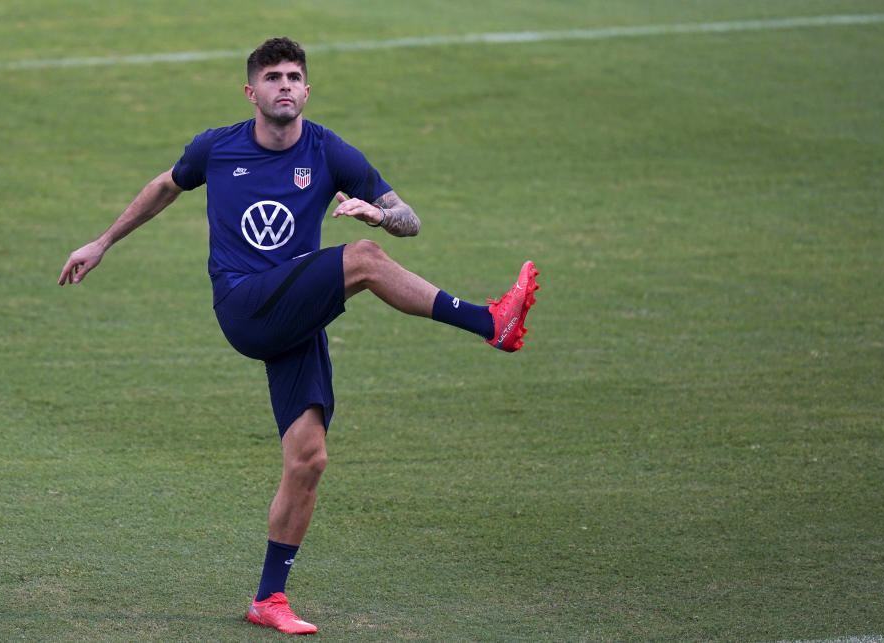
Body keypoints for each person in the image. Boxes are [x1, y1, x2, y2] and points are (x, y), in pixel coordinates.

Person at [58, 37, 538, 635]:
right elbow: (164, 187)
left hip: (296, 309)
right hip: (245, 305)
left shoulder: (330, 150)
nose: (284, 85)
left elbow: (409, 221)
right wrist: (101, 242)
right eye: (272, 77)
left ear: (307, 90)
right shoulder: (218, 147)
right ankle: (491, 321)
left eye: (293, 77)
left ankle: (268, 598)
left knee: (308, 460)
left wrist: (380, 213)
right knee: (360, 259)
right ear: (251, 91)